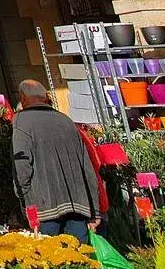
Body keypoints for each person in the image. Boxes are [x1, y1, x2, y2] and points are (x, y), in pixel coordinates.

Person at [13, 79, 100, 241]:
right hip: (78, 204)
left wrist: (23, 194)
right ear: (45, 97)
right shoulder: (65, 120)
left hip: (45, 205)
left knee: (51, 257)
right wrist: (94, 208)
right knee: (81, 257)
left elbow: (22, 164)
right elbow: (87, 166)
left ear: (23, 99)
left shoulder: (21, 121)